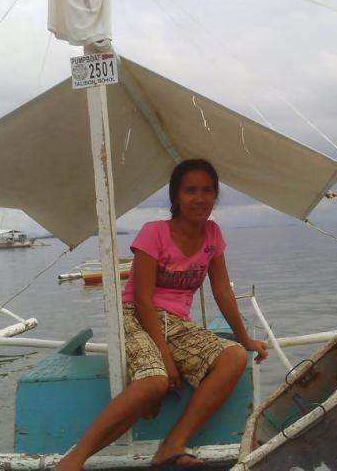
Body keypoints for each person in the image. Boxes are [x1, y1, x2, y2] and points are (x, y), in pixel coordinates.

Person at [55, 159, 268, 470]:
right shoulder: (153, 233)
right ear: (176, 197)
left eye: (207, 190)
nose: (200, 198)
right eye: (190, 190)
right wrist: (166, 358)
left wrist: (246, 339)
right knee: (155, 381)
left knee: (234, 357)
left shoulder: (212, 234)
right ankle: (72, 461)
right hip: (135, 315)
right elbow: (142, 299)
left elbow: (222, 291)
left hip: (176, 323)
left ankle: (172, 446)